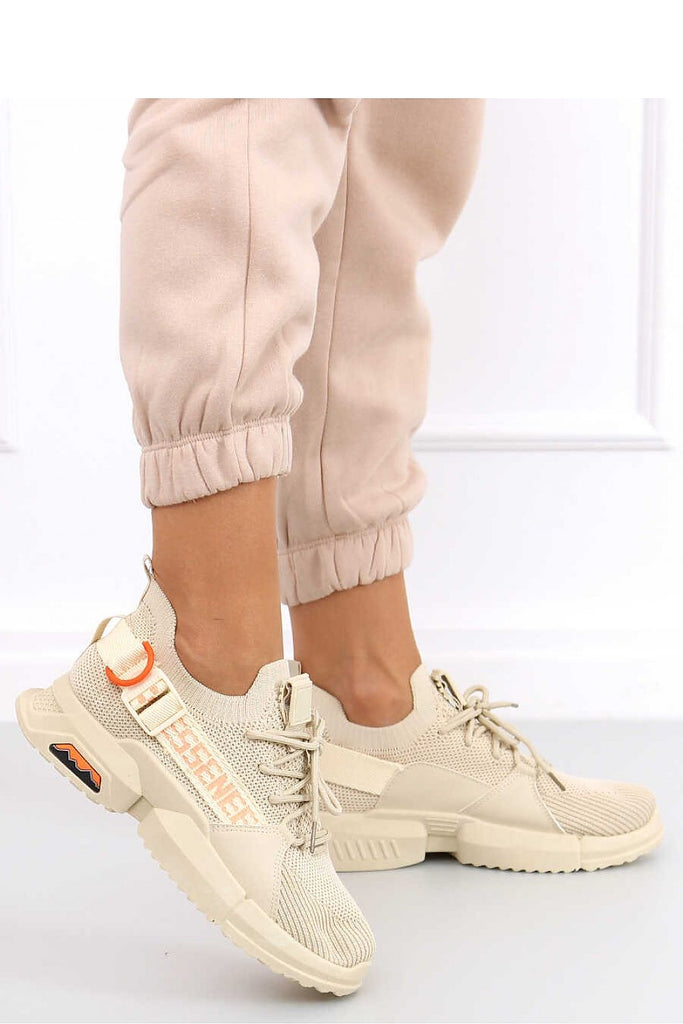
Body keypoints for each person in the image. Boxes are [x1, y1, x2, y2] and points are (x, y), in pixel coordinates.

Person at [17, 99, 661, 995]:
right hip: (188, 662)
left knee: (391, 152)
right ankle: (202, 658)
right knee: (251, 96)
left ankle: (366, 698)